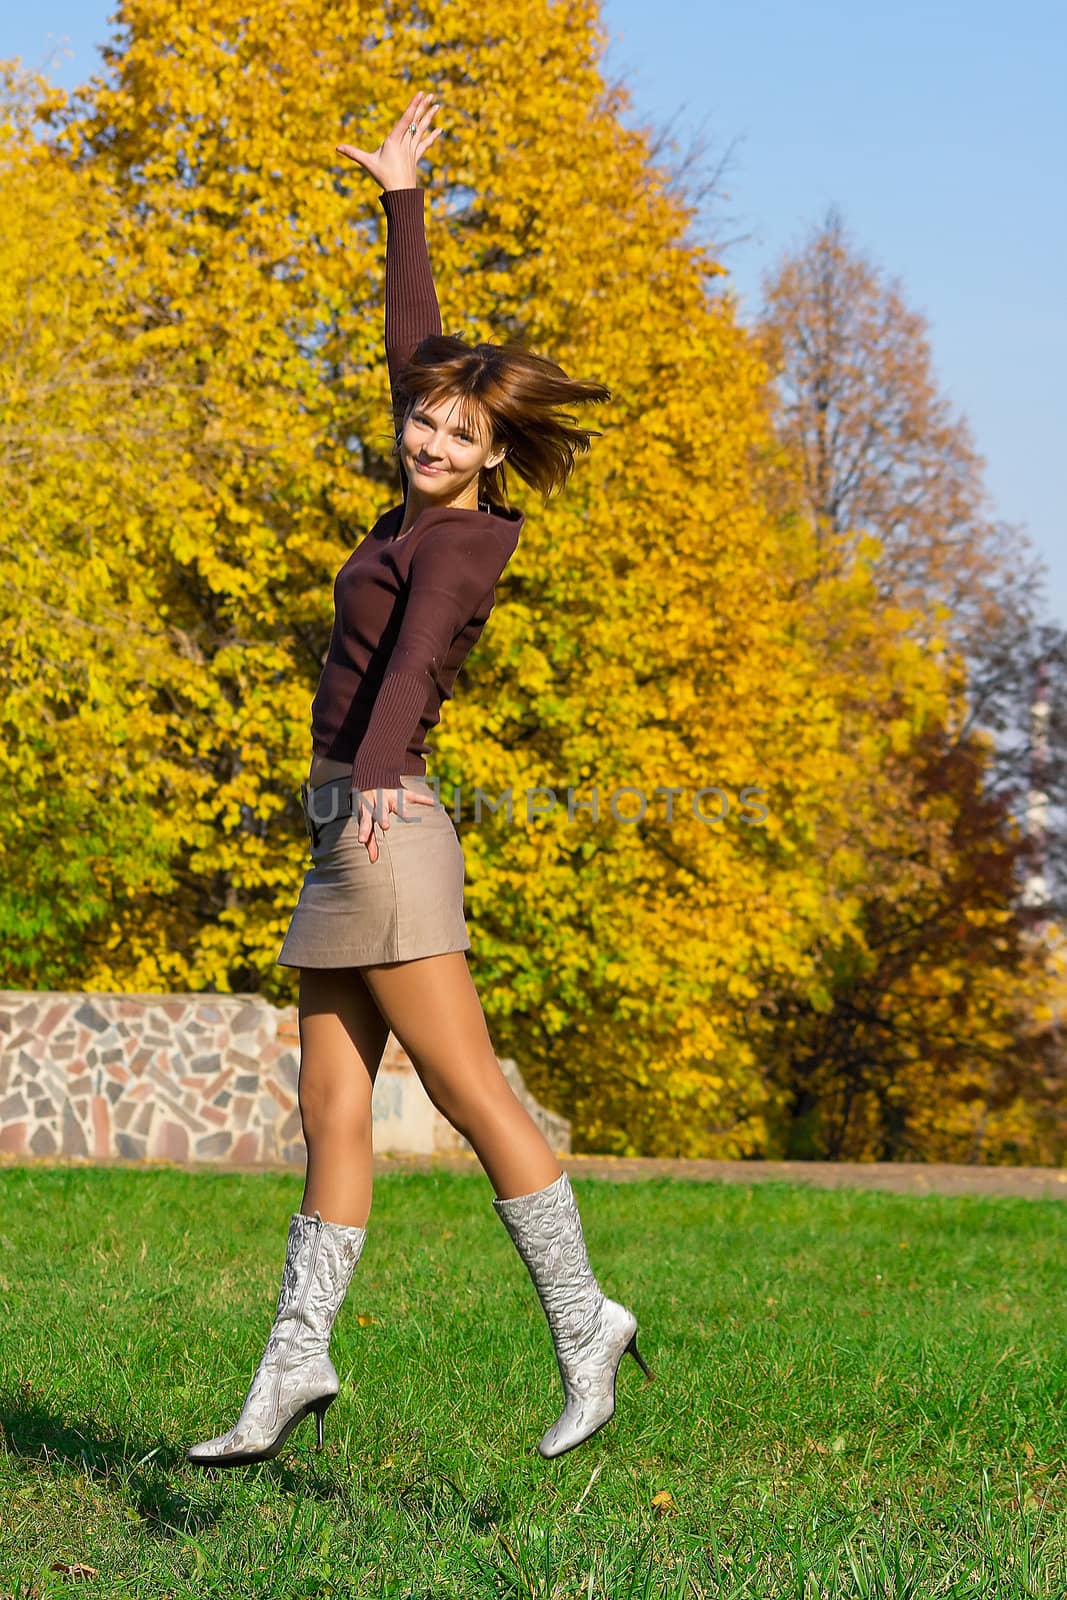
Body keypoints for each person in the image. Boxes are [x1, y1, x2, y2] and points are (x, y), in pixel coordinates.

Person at [187, 90, 652, 1469]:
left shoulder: (464, 546)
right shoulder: (414, 503)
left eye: (458, 434)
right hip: (348, 822)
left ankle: (586, 1326)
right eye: (426, 425)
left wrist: (374, 779)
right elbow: (413, 352)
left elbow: (410, 672)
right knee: (330, 1103)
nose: (431, 442)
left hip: (385, 821)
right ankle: (294, 1358)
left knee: (466, 1088)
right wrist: (402, 200)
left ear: (498, 454)